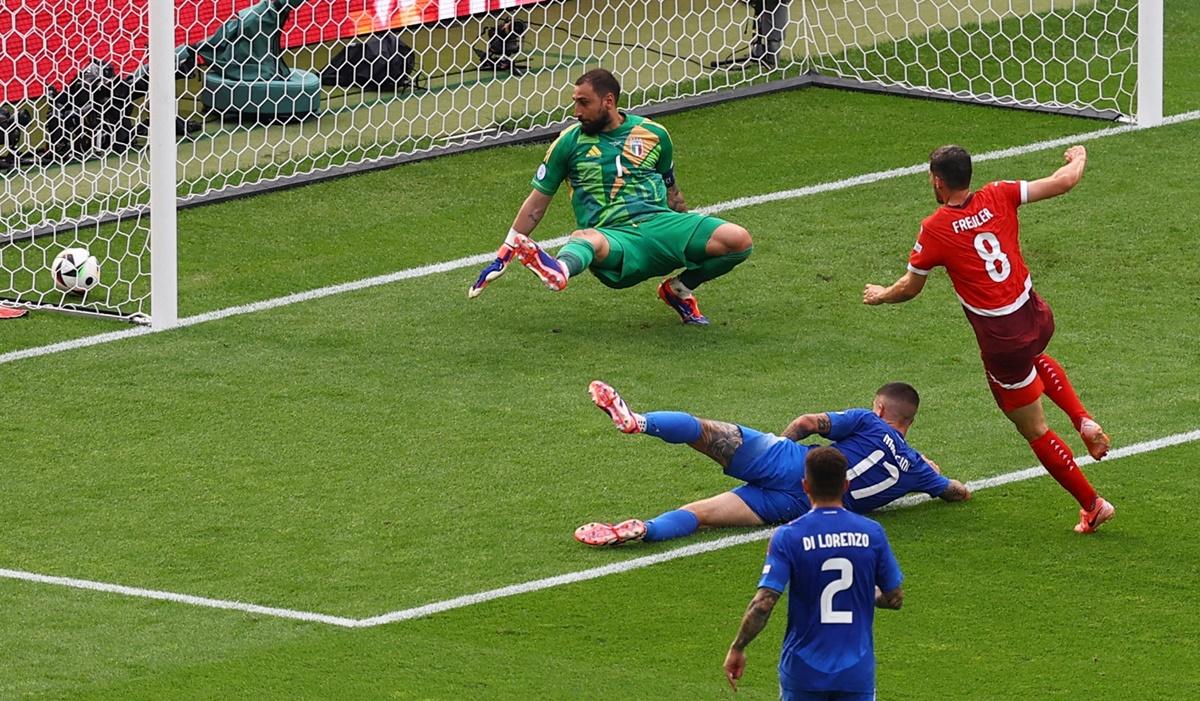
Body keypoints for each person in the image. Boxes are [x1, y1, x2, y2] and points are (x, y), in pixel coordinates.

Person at [862, 144, 1114, 534]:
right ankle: (1082, 420)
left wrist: (881, 295)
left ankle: (1092, 504)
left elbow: (911, 288)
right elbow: (1063, 182)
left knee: (1033, 428)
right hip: (1036, 315)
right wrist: (1078, 156)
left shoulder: (936, 228)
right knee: (1033, 359)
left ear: (937, 181)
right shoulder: (999, 192)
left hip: (1003, 340)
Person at [467, 68, 753, 325]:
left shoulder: (654, 134)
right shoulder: (567, 143)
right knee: (585, 238)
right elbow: (535, 206)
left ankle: (678, 289)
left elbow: (672, 191)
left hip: (660, 224)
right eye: (574, 102)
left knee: (739, 240)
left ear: (608, 101)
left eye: (583, 102)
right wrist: (503, 256)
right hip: (614, 239)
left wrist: (687, 231)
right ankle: (560, 269)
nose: (576, 111)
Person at [573, 380, 969, 546]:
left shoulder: (868, 421)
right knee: (701, 514)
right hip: (801, 507)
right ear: (910, 421)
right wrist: (933, 474)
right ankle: (644, 529)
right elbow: (955, 492)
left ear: (880, 407)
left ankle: (637, 421)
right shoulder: (915, 467)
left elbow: (807, 423)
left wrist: (779, 445)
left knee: (702, 432)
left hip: (790, 464)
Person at [722, 446, 904, 699]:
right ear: (846, 485)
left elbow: (763, 603)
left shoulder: (788, 536)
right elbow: (894, 598)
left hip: (803, 671)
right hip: (856, 673)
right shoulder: (871, 533)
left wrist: (738, 647)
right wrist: (865, 593)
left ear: (805, 486)